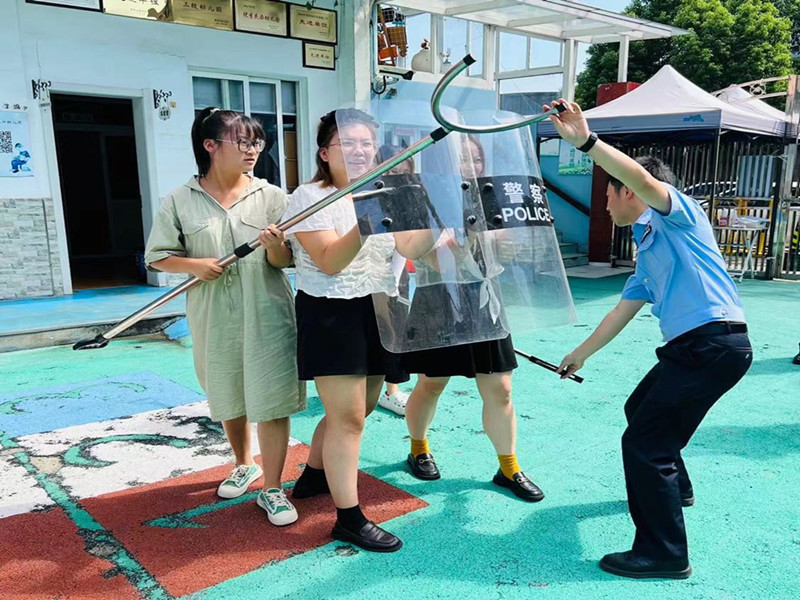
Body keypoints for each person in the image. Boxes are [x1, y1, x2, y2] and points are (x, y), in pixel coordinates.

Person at [548, 99, 753, 579]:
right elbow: (622, 311)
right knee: (640, 411)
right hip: (696, 348)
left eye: (608, 193)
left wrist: (588, 142)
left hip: (712, 344)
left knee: (646, 445)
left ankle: (664, 553)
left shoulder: (678, 216)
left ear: (630, 193)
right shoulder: (647, 246)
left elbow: (644, 180)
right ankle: (676, 489)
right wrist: (579, 354)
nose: (604, 202)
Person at [145, 107, 306, 526]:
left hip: (267, 310)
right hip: (213, 312)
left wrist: (274, 246)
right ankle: (243, 462)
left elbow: (286, 261)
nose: (253, 150)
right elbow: (158, 257)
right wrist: (195, 266)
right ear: (211, 145)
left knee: (271, 398)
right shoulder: (179, 200)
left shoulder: (272, 196)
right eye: (244, 142)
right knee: (228, 390)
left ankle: (273, 487)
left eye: (258, 142)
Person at [283, 110, 406, 552]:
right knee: (348, 417)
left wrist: (432, 215)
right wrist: (372, 212)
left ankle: (315, 475)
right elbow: (330, 261)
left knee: (364, 406)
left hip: (379, 307)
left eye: (366, 144)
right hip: (331, 312)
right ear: (324, 152)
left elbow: (413, 248)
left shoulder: (385, 189)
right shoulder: (308, 197)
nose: (358, 151)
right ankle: (348, 519)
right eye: (347, 143)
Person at [400, 135, 544, 503]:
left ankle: (509, 466)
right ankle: (418, 448)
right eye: (461, 159)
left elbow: (506, 245)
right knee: (432, 384)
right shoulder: (421, 198)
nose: (471, 166)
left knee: (501, 388)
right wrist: (452, 231)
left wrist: (507, 243)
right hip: (439, 298)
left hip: (485, 298)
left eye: (476, 159)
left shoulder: (490, 194)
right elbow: (421, 253)